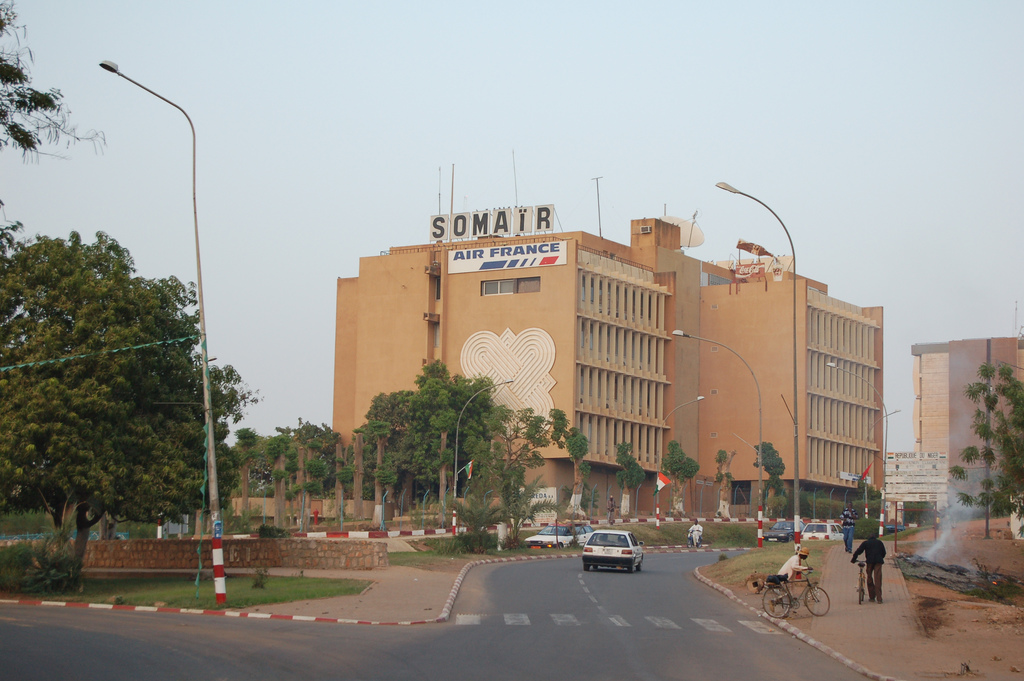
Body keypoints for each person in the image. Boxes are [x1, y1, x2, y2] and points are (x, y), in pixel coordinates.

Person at [851, 533, 887, 603]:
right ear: (875, 538)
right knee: (878, 579)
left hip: (870, 562)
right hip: (878, 562)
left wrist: (853, 559)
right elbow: (884, 553)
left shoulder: (866, 543)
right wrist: (880, 558)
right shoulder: (879, 542)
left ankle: (872, 597)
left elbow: (858, 551)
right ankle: (879, 599)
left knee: (869, 578)